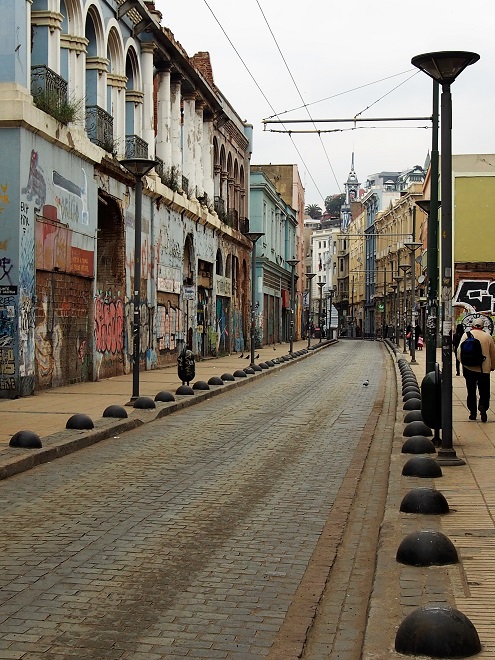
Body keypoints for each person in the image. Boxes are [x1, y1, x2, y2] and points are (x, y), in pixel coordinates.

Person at [457, 317, 495, 422]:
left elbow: (459, 351)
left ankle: (472, 413)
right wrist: (492, 366)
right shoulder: (488, 337)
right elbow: (493, 353)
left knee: (471, 390)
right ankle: (483, 406)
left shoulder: (466, 335)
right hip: (484, 369)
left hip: (469, 368)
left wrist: (463, 363)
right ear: (483, 326)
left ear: (472, 325)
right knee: (484, 391)